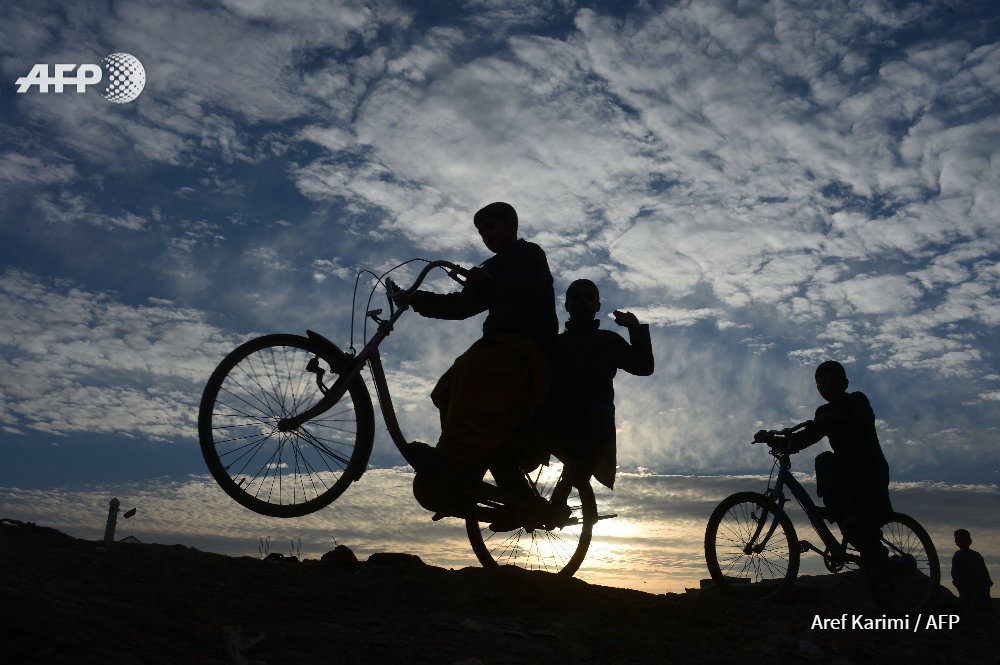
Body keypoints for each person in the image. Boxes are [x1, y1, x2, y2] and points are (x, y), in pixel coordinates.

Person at [400, 202, 558, 510]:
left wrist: (491, 282)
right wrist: (416, 299)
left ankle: (450, 459)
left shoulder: (530, 255)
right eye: (481, 231)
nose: (486, 236)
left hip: (526, 348)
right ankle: (465, 462)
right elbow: (461, 306)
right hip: (498, 349)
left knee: (474, 368)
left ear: (511, 225)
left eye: (491, 227)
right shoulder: (491, 267)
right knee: (449, 386)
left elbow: (527, 286)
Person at [754, 361, 892, 569]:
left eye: (832, 381)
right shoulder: (824, 412)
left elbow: (856, 419)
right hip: (846, 474)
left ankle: (876, 555)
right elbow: (807, 437)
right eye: (822, 384)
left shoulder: (857, 400)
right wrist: (776, 441)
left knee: (825, 461)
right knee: (852, 528)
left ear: (845, 383)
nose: (827, 387)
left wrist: (832, 418)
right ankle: (875, 562)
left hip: (868, 470)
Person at [542, 278, 654, 502]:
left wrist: (634, 328)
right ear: (567, 305)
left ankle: (566, 490)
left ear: (597, 306)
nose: (582, 302)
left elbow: (643, 367)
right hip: (553, 416)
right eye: (576, 297)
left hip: (591, 418)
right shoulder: (554, 344)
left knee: (600, 414)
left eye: (589, 297)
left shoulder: (608, 340)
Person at [952, 529, 994, 613]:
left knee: (979, 604)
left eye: (964, 539)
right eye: (960, 540)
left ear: (969, 541)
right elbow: (955, 572)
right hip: (966, 585)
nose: (963, 542)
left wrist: (987, 582)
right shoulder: (958, 555)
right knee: (969, 603)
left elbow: (984, 571)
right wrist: (957, 582)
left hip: (979, 585)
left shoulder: (975, 555)